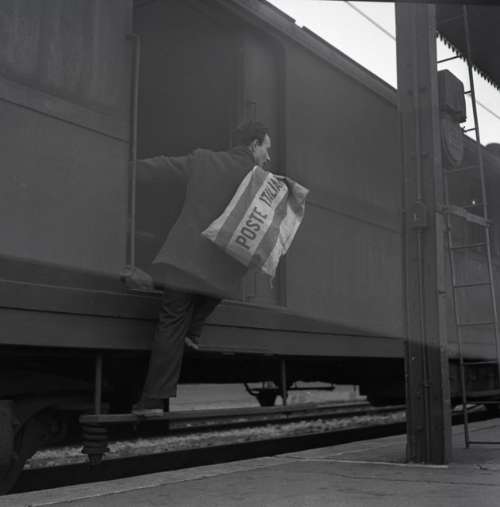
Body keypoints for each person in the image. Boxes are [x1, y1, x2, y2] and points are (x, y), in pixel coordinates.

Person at [130, 121, 272, 416]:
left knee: (170, 325)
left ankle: (154, 401)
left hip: (182, 260)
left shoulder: (205, 160)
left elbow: (163, 167)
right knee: (229, 276)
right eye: (266, 149)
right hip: (219, 276)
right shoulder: (263, 184)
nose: (267, 156)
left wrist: (123, 165)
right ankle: (193, 330)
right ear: (254, 145)